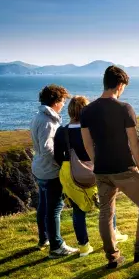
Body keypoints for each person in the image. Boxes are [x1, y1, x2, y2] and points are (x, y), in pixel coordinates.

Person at [81, 66, 139, 269]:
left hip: (101, 170)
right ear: (120, 85)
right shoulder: (125, 109)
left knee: (106, 213)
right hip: (124, 168)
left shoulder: (87, 110)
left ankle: (113, 257)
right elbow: (134, 143)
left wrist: (97, 161)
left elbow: (87, 144)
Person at [54, 96, 129, 257]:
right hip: (97, 171)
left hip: (73, 176)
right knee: (108, 205)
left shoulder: (62, 132)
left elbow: (58, 157)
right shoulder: (94, 129)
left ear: (70, 111)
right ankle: (113, 235)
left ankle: (84, 247)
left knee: (78, 210)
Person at [30, 84, 79, 258]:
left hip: (39, 168)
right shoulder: (48, 122)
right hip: (49, 170)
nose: (64, 104)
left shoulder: (39, 116)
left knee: (44, 206)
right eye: (63, 101)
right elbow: (47, 149)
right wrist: (62, 165)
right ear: (56, 101)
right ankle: (57, 246)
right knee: (55, 209)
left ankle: (44, 239)